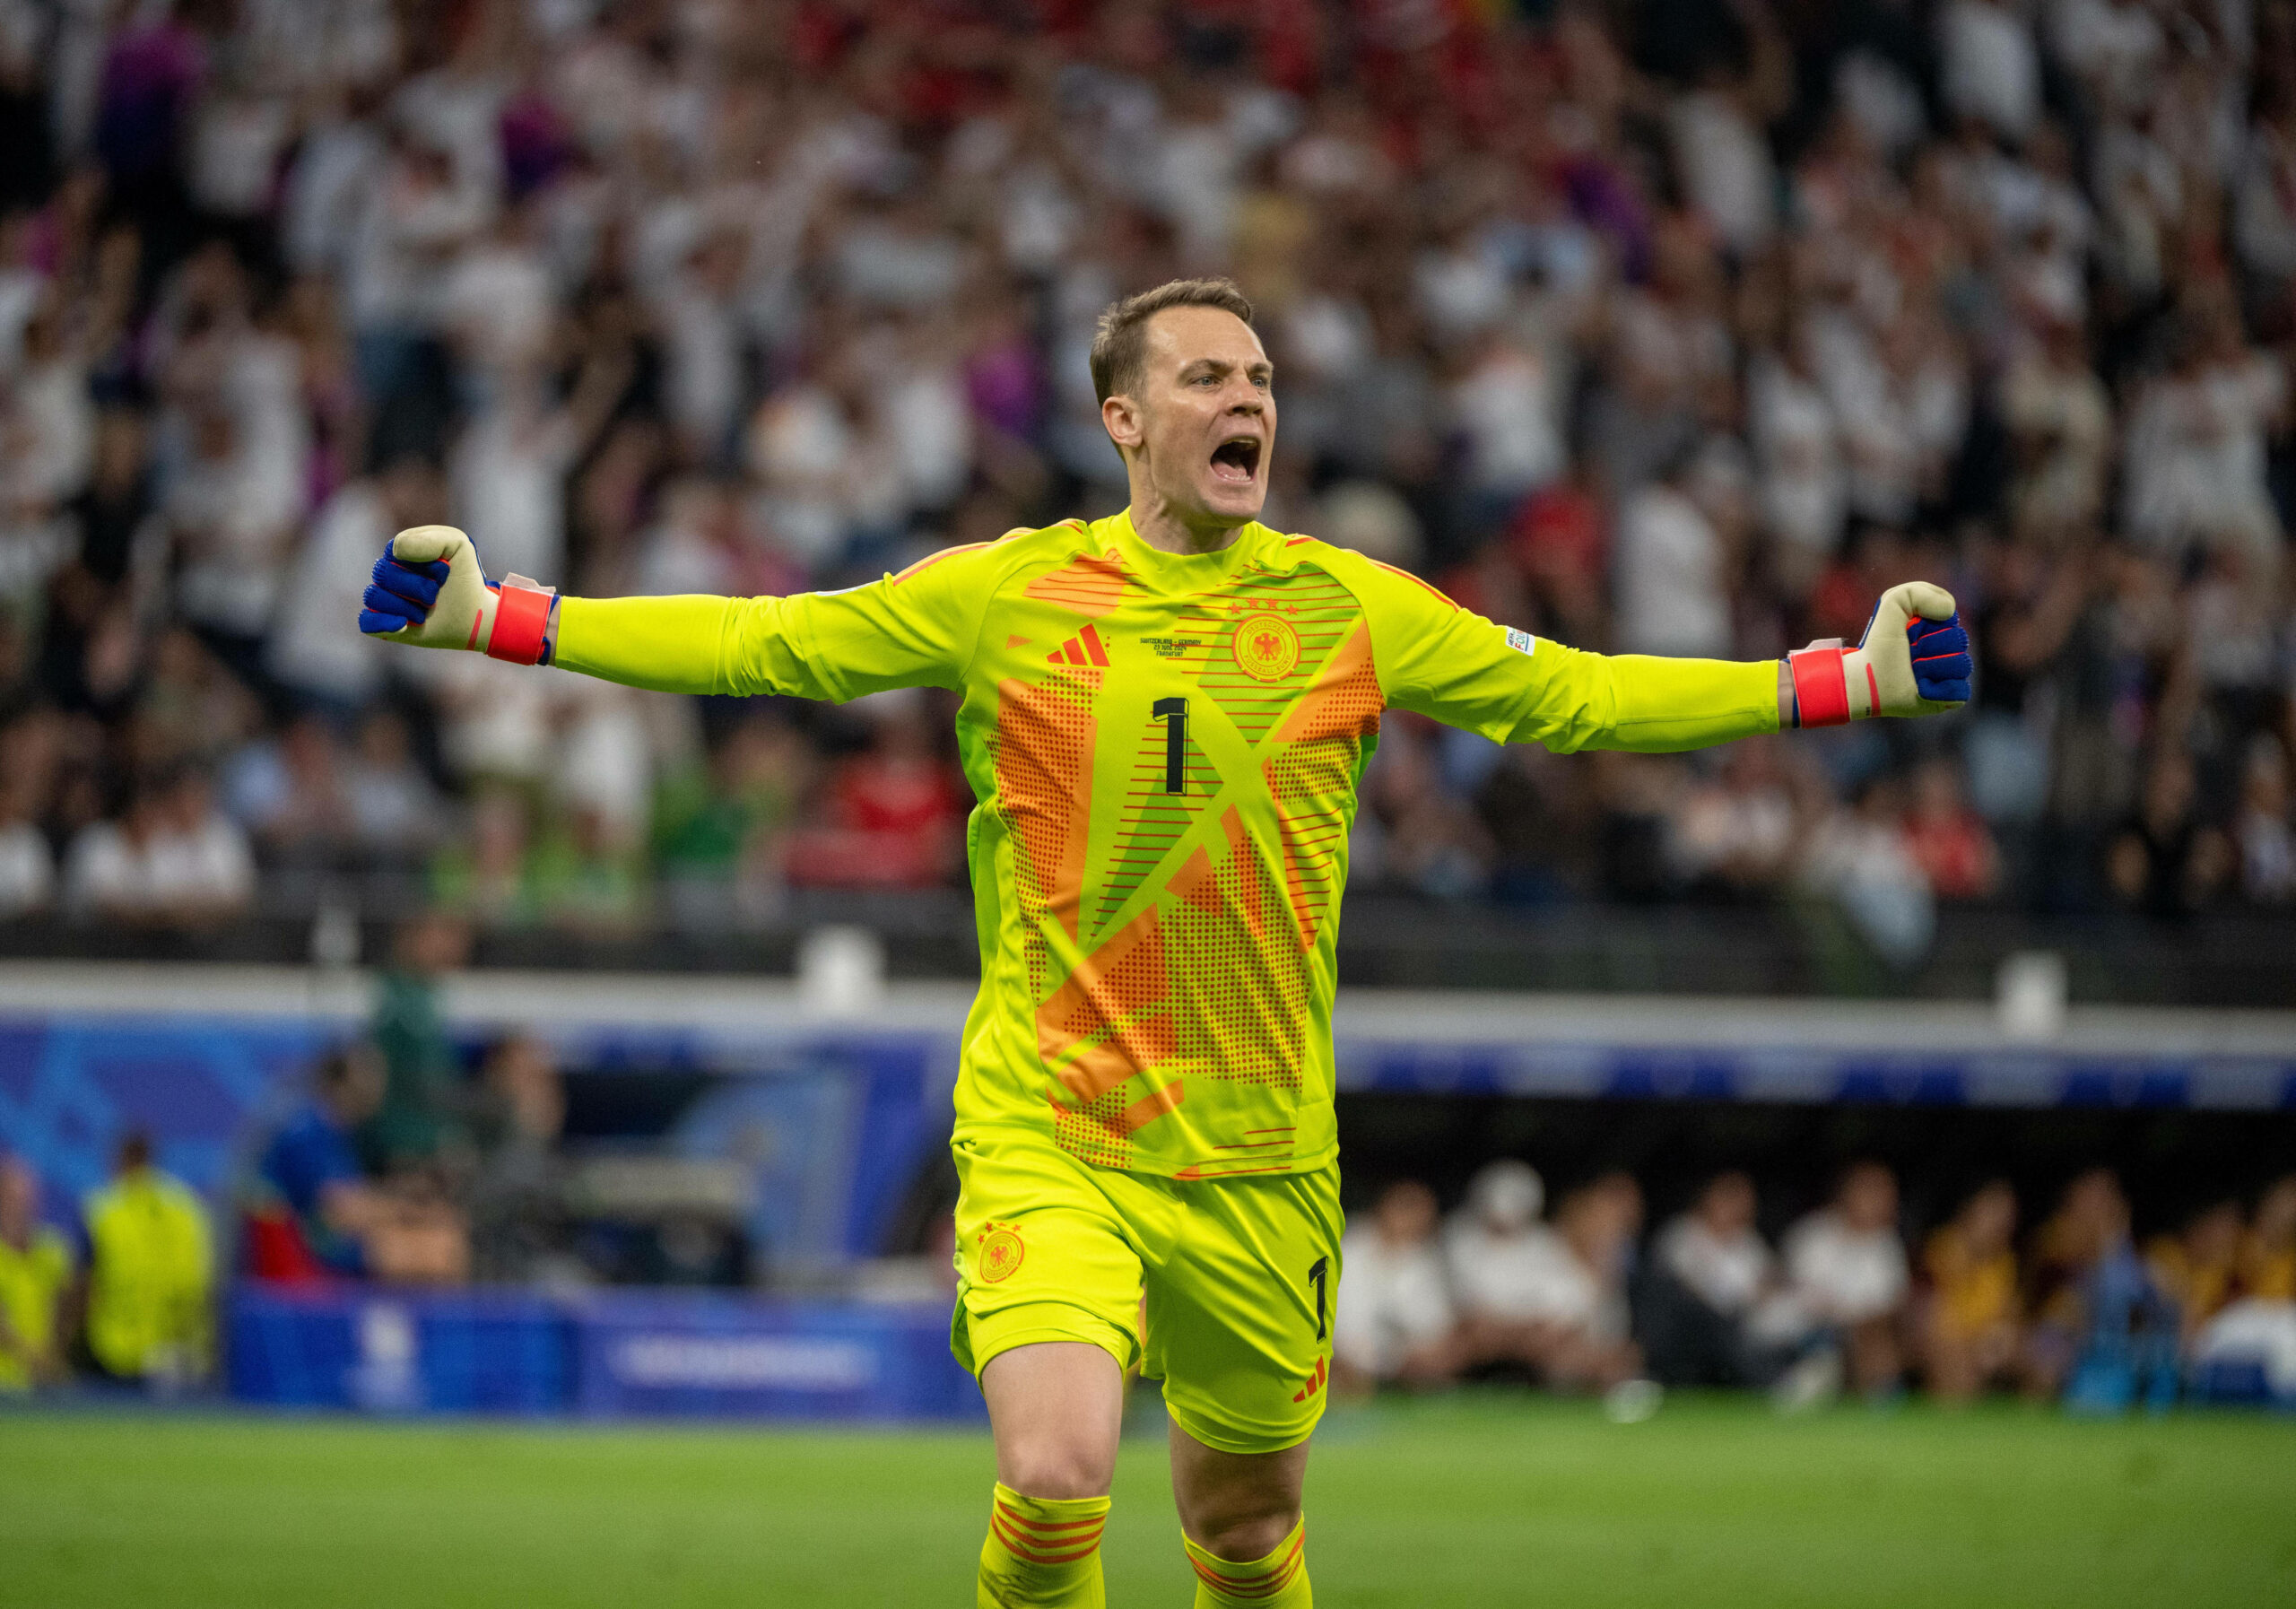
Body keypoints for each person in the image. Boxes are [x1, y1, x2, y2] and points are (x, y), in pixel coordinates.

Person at [355, 276, 1973, 1607]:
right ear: (1125, 418)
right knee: (1055, 1472)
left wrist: (1843, 681)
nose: (1246, 398)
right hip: (1052, 1119)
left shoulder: (1349, 608)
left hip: (1261, 1153)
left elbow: (1586, 692)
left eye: (1260, 375)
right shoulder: (1010, 593)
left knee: (1249, 1530)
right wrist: (502, 614)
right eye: (1206, 375)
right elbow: (770, 644)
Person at [256, 1045, 468, 1285]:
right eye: (370, 1074)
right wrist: (412, 1210)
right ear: (343, 1081)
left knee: (439, 1241)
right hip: (301, 1249)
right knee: (422, 1251)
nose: (379, 1084)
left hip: (324, 1240)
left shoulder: (341, 1134)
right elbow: (339, 1208)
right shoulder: (306, 1131)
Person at [75, 1132, 213, 1387]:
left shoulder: (103, 1208)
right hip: (172, 1349)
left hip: (112, 1348)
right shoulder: (186, 1208)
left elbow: (85, 1284)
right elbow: (201, 1279)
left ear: (120, 1161)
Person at [1782, 1161, 1911, 1396]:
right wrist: (1855, 1320)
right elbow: (1808, 1301)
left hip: (1863, 1335)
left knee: (1878, 1337)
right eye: (1873, 1191)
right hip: (1800, 1332)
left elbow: (1891, 1303)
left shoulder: (1887, 1244)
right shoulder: (1813, 1235)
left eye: (1887, 1193)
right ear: (1848, 1193)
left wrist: (1863, 1322)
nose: (1883, 1200)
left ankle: (1881, 1399)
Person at [1333, 1179, 1459, 1389]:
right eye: (1404, 1208)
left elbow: (1434, 1326)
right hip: (1341, 1355)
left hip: (1402, 1362)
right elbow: (1337, 1317)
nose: (1409, 1219)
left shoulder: (1424, 1259)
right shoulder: (1349, 1245)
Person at [1919, 1181, 2023, 1403]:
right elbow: (1936, 1317)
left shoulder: (2005, 1261)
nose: (2001, 1222)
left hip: (1984, 1340)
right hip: (1943, 1337)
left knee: (2027, 1349)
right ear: (1969, 1212)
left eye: (2007, 1215)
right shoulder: (1944, 1249)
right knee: (1953, 1355)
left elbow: (2009, 1312)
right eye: (1993, 1211)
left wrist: (1998, 1338)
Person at [0, 1156, 72, 1391]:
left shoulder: (53, 1251)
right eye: (10, 1199)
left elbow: (68, 1307)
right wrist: (34, 1357)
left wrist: (57, 1353)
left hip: (44, 1384)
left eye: (25, 1198)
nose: (18, 1207)